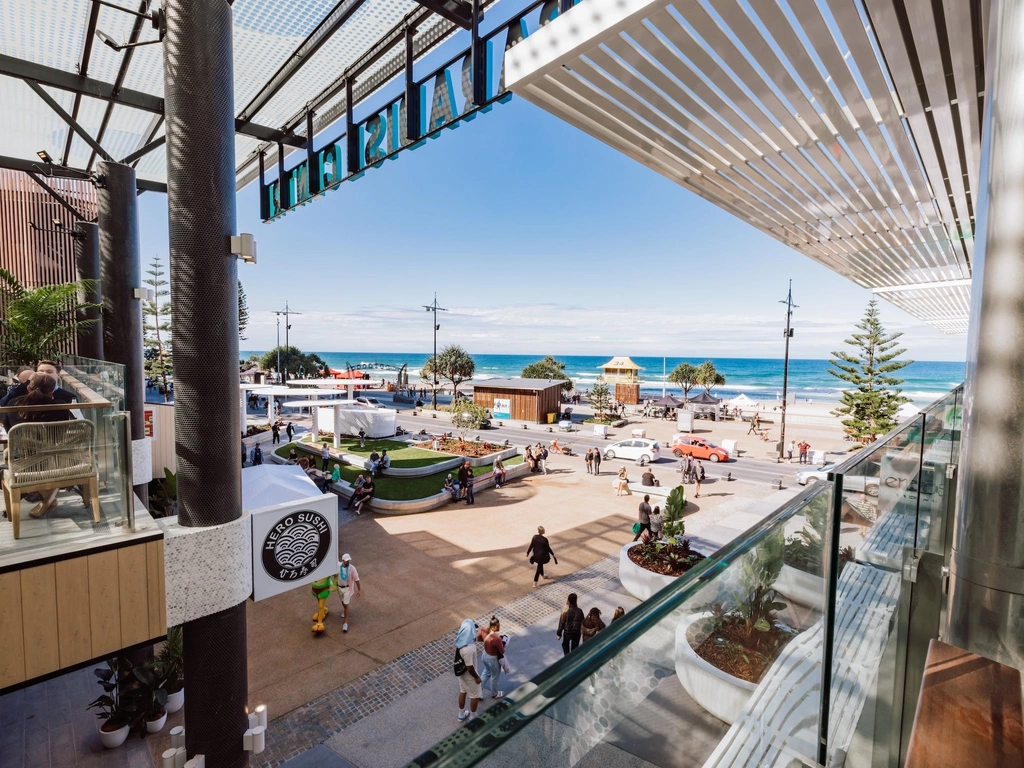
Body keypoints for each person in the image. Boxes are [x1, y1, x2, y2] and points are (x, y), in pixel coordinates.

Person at [455, 619, 483, 722]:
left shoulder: (461, 641)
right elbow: (469, 666)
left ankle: (461, 714)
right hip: (470, 676)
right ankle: (473, 716)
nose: (475, 631)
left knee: (463, 691)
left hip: (461, 675)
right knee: (474, 696)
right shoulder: (468, 648)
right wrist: (477, 677)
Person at [478, 616, 506, 699]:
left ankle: (478, 693)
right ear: (493, 627)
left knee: (486, 672)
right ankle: (494, 693)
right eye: (498, 626)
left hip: (484, 655)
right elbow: (502, 651)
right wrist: (504, 643)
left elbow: (478, 637)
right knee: (495, 676)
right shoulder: (497, 638)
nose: (499, 627)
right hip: (493, 659)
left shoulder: (483, 629)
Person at [337, 554, 361, 632]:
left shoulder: (352, 568)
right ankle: (344, 611)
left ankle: (345, 623)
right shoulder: (338, 565)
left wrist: (359, 589)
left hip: (347, 588)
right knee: (343, 603)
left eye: (349, 560)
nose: (348, 562)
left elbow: (357, 579)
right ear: (343, 560)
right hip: (339, 588)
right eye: (347, 560)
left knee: (346, 605)